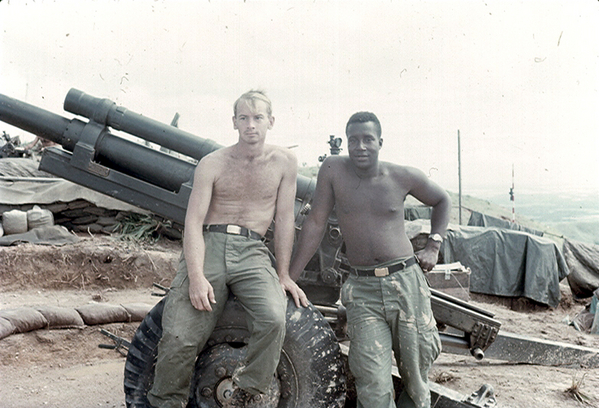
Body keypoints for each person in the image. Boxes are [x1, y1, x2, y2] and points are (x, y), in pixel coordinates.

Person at [147, 90, 308, 408]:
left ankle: (247, 390)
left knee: (273, 318)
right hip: (210, 244)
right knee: (180, 335)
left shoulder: (285, 162)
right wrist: (195, 276)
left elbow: (286, 219)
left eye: (258, 118)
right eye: (244, 118)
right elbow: (193, 222)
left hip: (252, 250)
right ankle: (165, 402)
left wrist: (284, 274)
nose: (251, 125)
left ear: (270, 122)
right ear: (234, 122)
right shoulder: (213, 163)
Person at [289, 111, 451, 408]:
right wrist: (288, 277)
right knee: (372, 384)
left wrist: (433, 245)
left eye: (367, 140)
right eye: (353, 140)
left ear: (380, 142)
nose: (360, 146)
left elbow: (442, 200)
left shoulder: (402, 176)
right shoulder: (334, 170)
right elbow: (315, 223)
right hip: (362, 290)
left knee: (415, 381)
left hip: (406, 285)